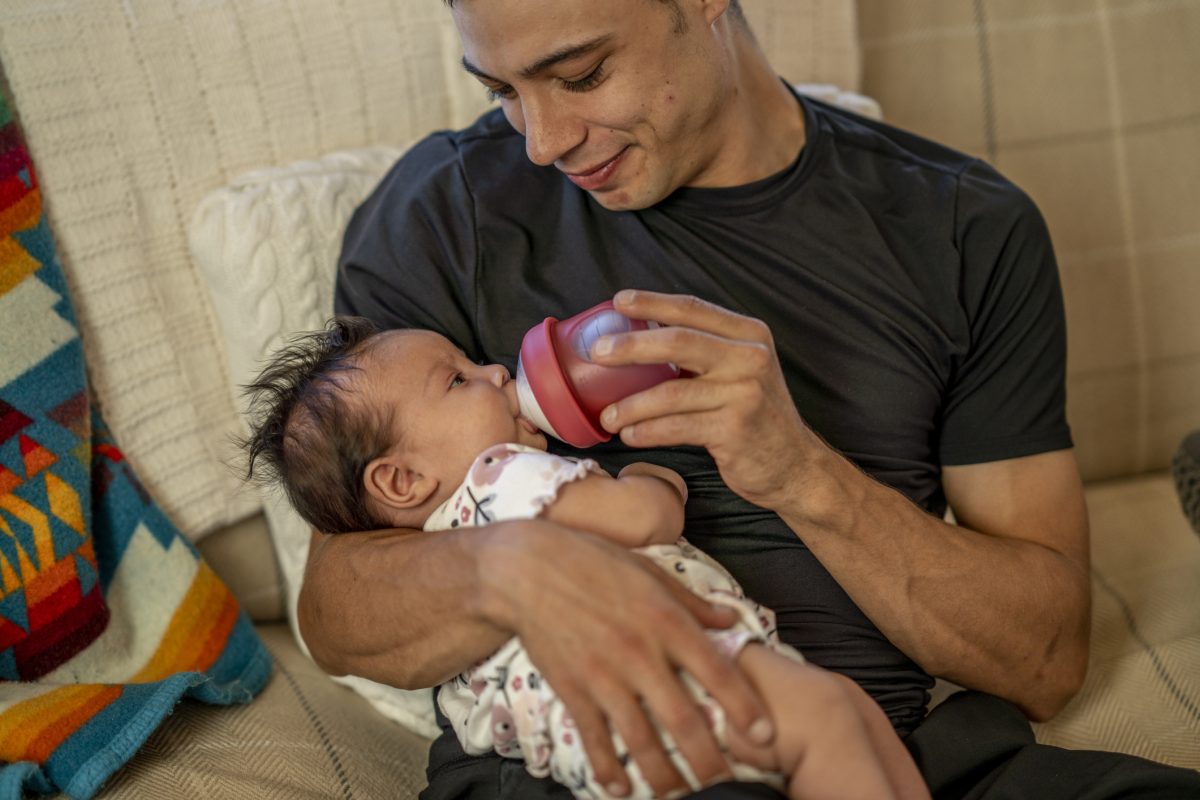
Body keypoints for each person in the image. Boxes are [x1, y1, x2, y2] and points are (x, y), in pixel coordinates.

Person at [300, 0, 1200, 797]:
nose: (542, 140)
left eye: (581, 74)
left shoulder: (965, 228)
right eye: (502, 89)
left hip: (883, 751)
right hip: (593, 771)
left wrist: (800, 472)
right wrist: (518, 569)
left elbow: (1045, 661)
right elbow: (338, 609)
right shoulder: (446, 212)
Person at [241, 318, 929, 800]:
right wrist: (658, 478)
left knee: (842, 711)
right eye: (457, 380)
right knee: (832, 715)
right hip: (663, 683)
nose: (495, 372)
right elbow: (645, 519)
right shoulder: (501, 479)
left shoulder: (441, 544)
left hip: (596, 741)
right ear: (402, 481)